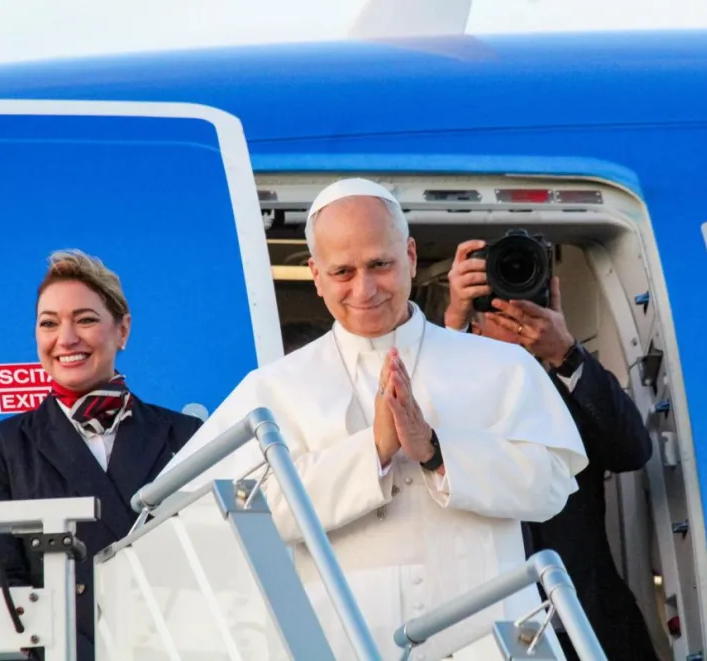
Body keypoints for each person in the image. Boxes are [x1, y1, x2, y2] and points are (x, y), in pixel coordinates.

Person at [160, 177, 588, 660]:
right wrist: (373, 452)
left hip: (485, 637)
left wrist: (436, 452)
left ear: (409, 255)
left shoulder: (500, 366)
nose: (364, 289)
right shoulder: (273, 389)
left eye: (379, 264)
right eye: (342, 271)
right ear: (315, 275)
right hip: (341, 642)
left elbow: (552, 485)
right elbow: (224, 516)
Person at [0, 250, 203, 661]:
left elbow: (215, 569)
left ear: (122, 329)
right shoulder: (1, 447)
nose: (66, 339)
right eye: (49, 323)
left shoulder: (185, 437)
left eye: (86, 319)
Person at [443, 241, 658, 661]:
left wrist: (565, 352)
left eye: (527, 299)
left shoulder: (573, 383)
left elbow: (633, 450)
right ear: (478, 322)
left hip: (587, 621)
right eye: (498, 307)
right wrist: (450, 328)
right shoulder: (449, 381)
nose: (516, 315)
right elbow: (421, 438)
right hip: (485, 628)